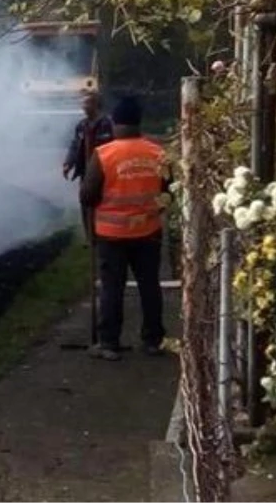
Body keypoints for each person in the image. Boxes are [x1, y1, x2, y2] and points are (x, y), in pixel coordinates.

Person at [79, 94, 170, 361]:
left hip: (111, 235)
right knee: (150, 286)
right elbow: (167, 191)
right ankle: (153, 340)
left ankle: (108, 343)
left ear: (116, 124)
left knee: (112, 288)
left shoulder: (104, 154)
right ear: (139, 124)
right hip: (148, 231)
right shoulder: (158, 153)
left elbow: (87, 195)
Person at [63, 92, 114, 240]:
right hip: (85, 173)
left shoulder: (108, 124)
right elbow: (75, 145)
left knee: (102, 205)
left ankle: (104, 235)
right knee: (85, 202)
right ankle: (91, 237)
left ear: (95, 104)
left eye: (86, 103)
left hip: (102, 173)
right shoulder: (81, 126)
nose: (83, 106)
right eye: (82, 103)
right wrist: (68, 163)